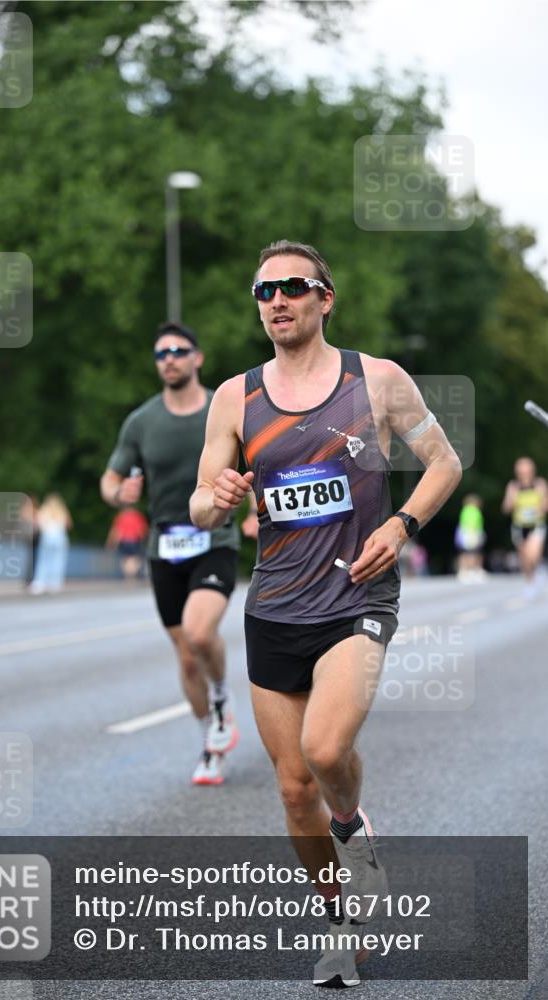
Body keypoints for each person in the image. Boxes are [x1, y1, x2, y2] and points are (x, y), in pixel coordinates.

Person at [189, 240, 462, 987]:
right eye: (263, 291)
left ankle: (351, 824)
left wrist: (399, 524)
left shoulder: (374, 380)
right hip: (275, 602)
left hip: (357, 592)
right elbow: (201, 490)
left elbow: (444, 461)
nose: (275, 300)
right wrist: (213, 499)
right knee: (290, 786)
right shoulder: (234, 396)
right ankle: (341, 922)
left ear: (324, 298)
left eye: (292, 287)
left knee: (325, 746)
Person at [101, 321, 241, 786]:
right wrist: (122, 492)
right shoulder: (142, 421)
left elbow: (257, 461)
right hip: (165, 546)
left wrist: (258, 508)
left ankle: (221, 696)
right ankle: (210, 742)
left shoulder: (223, 408)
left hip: (215, 538)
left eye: (180, 350)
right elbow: (109, 482)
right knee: (184, 658)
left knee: (202, 635)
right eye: (162, 353)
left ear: (197, 357)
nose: (171, 359)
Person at [502, 457, 547, 596]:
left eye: (527, 470)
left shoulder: (539, 484)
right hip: (519, 526)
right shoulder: (513, 486)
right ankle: (530, 581)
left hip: (536, 524)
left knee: (533, 553)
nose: (525, 473)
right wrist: (512, 501)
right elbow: (505, 508)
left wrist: (540, 507)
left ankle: (539, 569)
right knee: (524, 557)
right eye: (522, 471)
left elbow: (546, 504)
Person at [29, 493, 72, 594]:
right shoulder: (62, 511)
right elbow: (68, 524)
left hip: (47, 537)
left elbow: (37, 524)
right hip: (60, 537)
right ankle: (55, 583)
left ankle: (39, 583)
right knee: (58, 561)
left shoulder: (44, 510)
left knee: (43, 560)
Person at [106, 506, 149, 580]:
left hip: (124, 541)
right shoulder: (138, 516)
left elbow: (117, 531)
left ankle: (128, 574)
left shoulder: (121, 516)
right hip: (134, 540)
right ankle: (132, 574)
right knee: (135, 558)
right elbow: (141, 529)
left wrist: (112, 542)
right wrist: (144, 539)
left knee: (125, 558)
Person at [455, 493, 486, 582]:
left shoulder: (464, 510)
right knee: (474, 552)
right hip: (472, 533)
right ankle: (473, 570)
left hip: (464, 534)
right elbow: (474, 523)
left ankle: (464, 570)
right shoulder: (475, 511)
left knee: (465, 552)